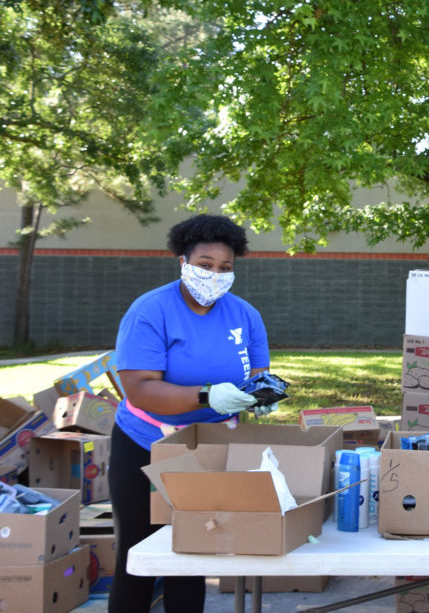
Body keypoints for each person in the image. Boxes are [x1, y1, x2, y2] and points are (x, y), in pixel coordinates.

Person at [108, 214, 274, 612]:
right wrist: (206, 397)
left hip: (209, 450)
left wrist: (264, 394)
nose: (215, 275)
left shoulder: (244, 315)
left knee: (192, 554)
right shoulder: (150, 311)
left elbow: (258, 373)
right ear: (183, 262)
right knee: (140, 556)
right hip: (146, 445)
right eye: (205, 265)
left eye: (225, 268)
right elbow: (140, 388)